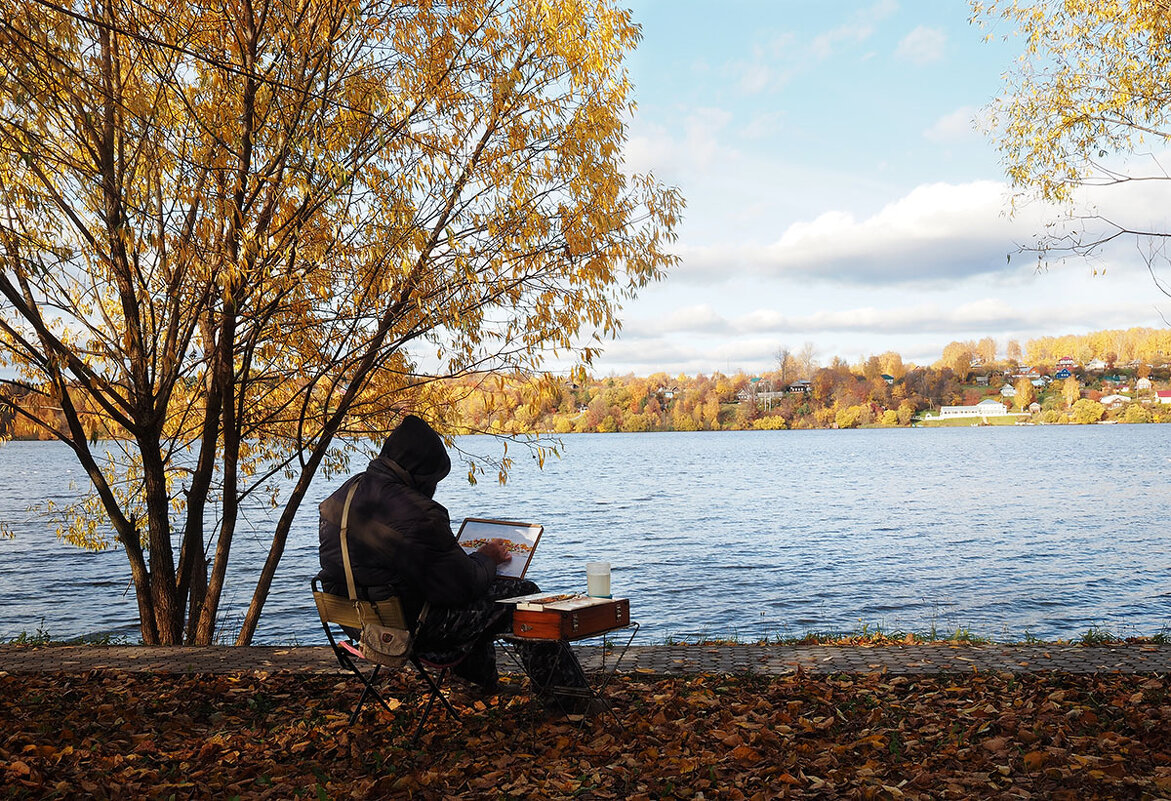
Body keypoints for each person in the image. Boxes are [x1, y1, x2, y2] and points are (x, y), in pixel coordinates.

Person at [317, 414, 588, 706]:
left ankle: (474, 685)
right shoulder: (419, 512)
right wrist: (487, 558)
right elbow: (459, 588)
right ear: (421, 473)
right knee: (525, 597)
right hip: (411, 630)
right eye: (433, 480)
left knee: (475, 594)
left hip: (356, 623)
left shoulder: (342, 495)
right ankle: (567, 698)